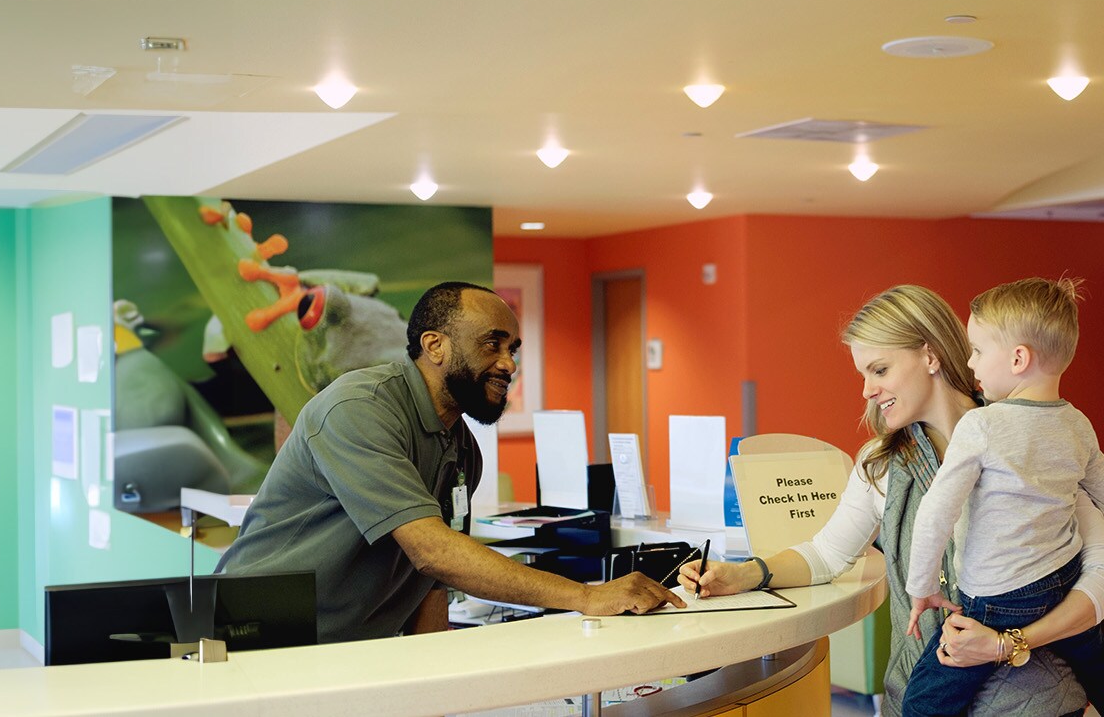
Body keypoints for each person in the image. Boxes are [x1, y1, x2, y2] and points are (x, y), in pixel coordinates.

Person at [677, 285, 1104, 717]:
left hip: (1033, 704)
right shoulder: (881, 464)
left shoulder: (1033, 444)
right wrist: (744, 574)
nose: (867, 390)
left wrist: (1006, 644)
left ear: (930, 355)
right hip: (915, 694)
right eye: (863, 375)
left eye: (879, 370)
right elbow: (826, 554)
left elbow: (1098, 576)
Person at [217, 281, 683, 642]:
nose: (508, 364)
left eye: (512, 349)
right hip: (261, 640)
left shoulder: (462, 450)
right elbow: (432, 549)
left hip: (351, 649)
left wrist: (436, 687)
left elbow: (434, 577)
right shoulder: (358, 410)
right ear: (434, 345)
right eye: (492, 344)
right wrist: (585, 596)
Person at [901, 279, 1104, 715]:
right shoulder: (1079, 424)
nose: (970, 362)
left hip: (997, 599)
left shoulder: (982, 426)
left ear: (1018, 359)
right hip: (1064, 580)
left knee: (922, 701)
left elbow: (936, 511)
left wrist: (921, 587)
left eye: (976, 350)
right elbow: (1101, 492)